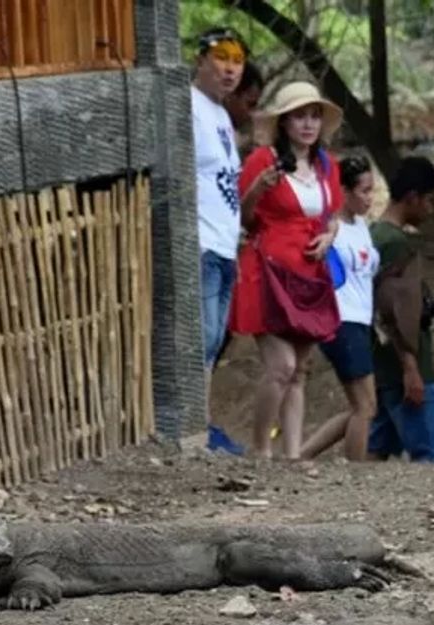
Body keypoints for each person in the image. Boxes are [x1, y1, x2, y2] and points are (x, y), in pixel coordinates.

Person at [230, 81, 345, 461]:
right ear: (284, 123)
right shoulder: (262, 161)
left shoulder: (326, 165)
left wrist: (330, 236)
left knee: (301, 370)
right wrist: (258, 190)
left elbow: (333, 216)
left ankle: (292, 457)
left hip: (309, 274)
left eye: (314, 116)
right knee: (282, 366)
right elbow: (244, 218)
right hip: (267, 271)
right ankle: (261, 448)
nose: (308, 124)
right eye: (299, 116)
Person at [366, 157, 434, 463]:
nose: (430, 209)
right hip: (405, 368)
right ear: (412, 197)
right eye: (428, 200)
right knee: (432, 458)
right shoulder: (394, 244)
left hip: (380, 365)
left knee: (375, 451)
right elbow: (394, 312)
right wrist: (411, 368)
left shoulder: (372, 235)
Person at [301, 156, 381, 461]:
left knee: (360, 405)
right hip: (341, 319)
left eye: (372, 191)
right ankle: (355, 471)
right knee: (365, 406)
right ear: (344, 191)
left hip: (361, 319)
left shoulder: (361, 225)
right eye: (364, 191)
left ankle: (299, 455)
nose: (370, 199)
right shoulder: (331, 229)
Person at [191, 26, 248, 455]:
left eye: (237, 60)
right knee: (202, 336)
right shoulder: (188, 106)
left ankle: (204, 421)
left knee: (216, 340)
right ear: (201, 60)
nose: (230, 68)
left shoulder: (223, 115)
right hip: (202, 241)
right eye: (222, 57)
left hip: (227, 242)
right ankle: (195, 426)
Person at [210, 61, 266, 372]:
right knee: (208, 335)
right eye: (249, 104)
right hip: (211, 244)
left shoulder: (229, 136)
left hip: (228, 242)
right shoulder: (206, 128)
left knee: (220, 331)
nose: (251, 113)